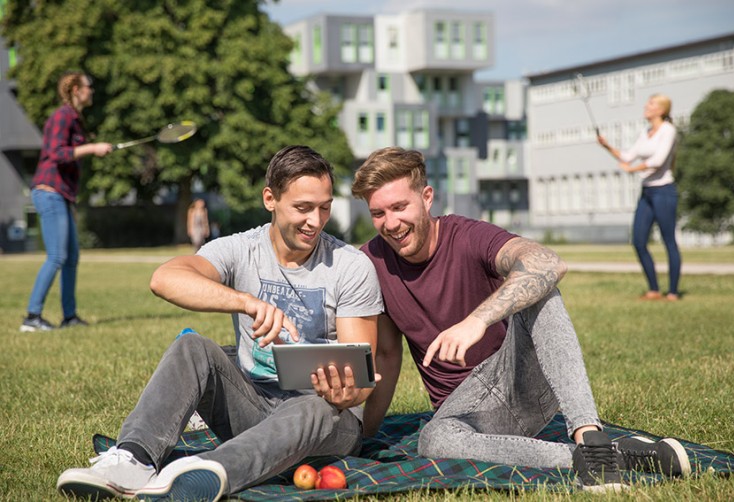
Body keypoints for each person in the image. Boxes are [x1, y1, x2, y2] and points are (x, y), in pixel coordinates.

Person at [351, 147, 690, 492]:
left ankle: (590, 436)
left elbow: (549, 262)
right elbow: (387, 356)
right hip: (461, 413)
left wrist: (477, 320)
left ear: (426, 198)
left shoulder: (467, 236)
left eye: (399, 207)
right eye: (378, 213)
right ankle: (606, 457)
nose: (390, 224)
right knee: (433, 440)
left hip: (518, 383)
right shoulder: (370, 262)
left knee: (540, 289)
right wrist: (363, 436)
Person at [56, 146, 383, 501]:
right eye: (303, 208)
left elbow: (361, 380)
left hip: (327, 423)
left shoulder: (350, 266)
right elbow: (165, 279)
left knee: (313, 406)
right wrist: (246, 301)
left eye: (324, 207)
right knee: (192, 347)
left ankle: (210, 474)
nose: (316, 221)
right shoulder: (241, 249)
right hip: (254, 405)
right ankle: (133, 460)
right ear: (270, 199)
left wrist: (347, 393)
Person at [20, 71, 113, 332]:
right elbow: (56, 153)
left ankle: (69, 316)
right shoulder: (63, 115)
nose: (91, 91)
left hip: (61, 194)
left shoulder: (75, 119)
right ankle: (32, 317)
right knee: (57, 256)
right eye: (88, 86)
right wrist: (92, 148)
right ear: (75, 90)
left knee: (71, 257)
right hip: (49, 192)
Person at [598, 94, 681, 301]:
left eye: (651, 104)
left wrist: (632, 169)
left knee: (668, 240)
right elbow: (627, 156)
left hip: (664, 191)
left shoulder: (668, 130)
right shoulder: (646, 132)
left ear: (661, 110)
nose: (646, 106)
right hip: (647, 192)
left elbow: (658, 160)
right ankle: (653, 289)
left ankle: (672, 292)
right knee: (638, 240)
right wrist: (606, 146)